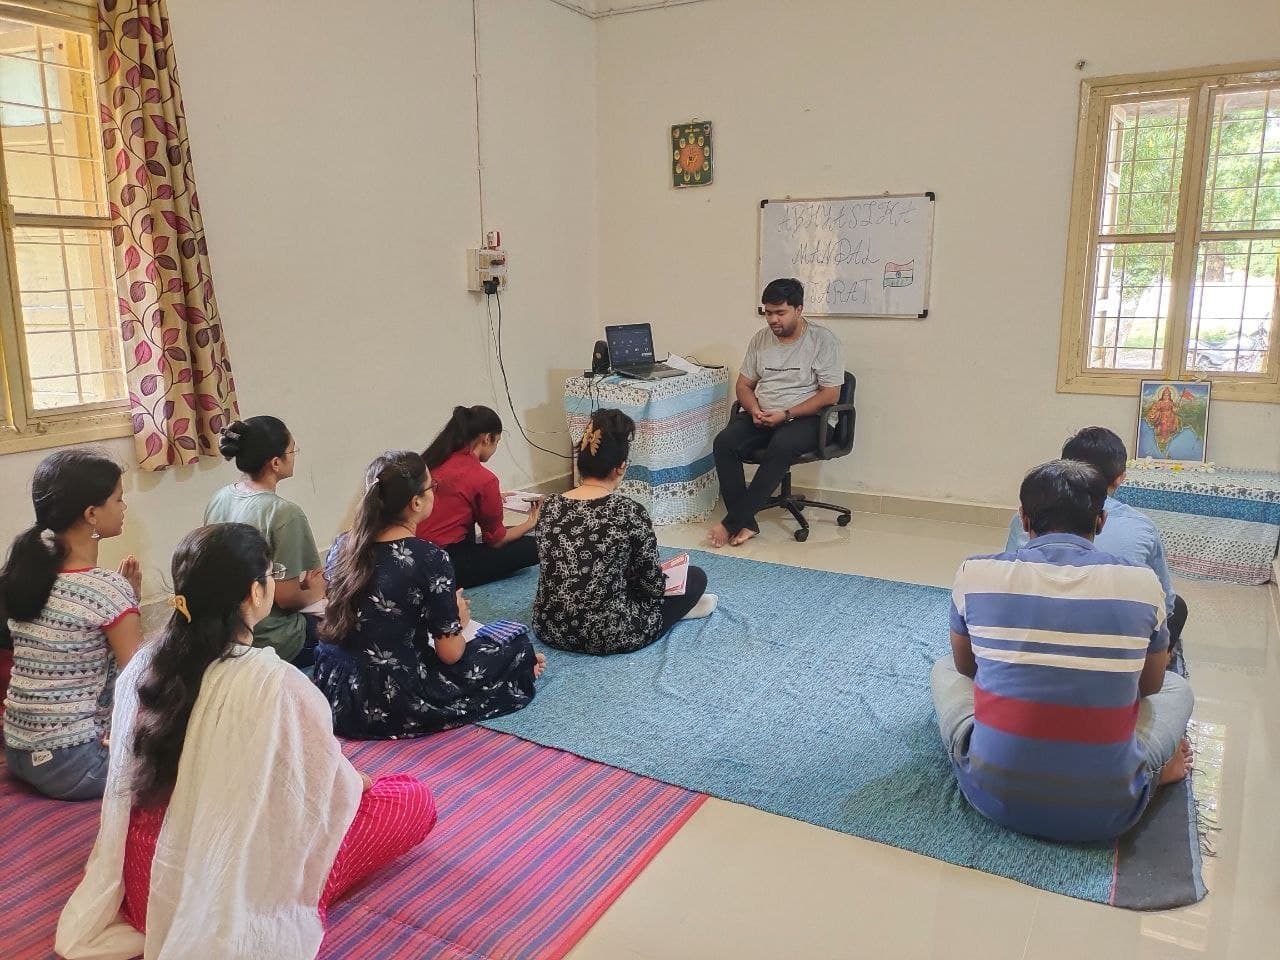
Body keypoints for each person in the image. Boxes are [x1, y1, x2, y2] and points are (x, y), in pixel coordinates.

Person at [55, 524, 436, 960]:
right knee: (411, 798)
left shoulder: (145, 663)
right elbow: (322, 789)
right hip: (220, 894)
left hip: (144, 886)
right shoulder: (273, 681)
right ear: (256, 592)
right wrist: (357, 782)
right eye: (271, 573)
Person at [934, 459, 1195, 844]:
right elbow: (1151, 686)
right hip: (1109, 811)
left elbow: (966, 667)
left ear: (1023, 519)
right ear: (1101, 521)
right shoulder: (1142, 584)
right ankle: (1153, 775)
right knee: (1177, 689)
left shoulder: (975, 574)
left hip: (991, 796)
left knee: (943, 669)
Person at [314, 451, 544, 739]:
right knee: (517, 647)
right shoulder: (429, 557)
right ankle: (521, 665)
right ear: (416, 503)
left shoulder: (341, 545)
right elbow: (450, 654)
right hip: (394, 697)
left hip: (337, 691)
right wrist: (457, 620)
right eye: (431, 487)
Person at [1, 450, 142, 801]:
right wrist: (127, 603)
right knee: (185, 752)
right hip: (76, 764)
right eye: (118, 499)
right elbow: (138, 678)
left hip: (18, 751)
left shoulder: (29, 577)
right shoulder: (106, 589)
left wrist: (126, 604)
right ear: (91, 514)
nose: (124, 507)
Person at [535, 409, 716, 655]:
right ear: (620, 467)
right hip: (611, 634)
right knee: (695, 577)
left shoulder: (550, 505)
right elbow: (652, 586)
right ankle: (680, 611)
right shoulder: (629, 511)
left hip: (549, 627)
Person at [1005, 426, 1187, 661]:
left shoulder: (980, 574)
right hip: (1115, 649)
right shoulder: (1140, 528)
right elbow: (1165, 604)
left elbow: (1009, 580)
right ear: (1100, 522)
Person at [709, 278, 845, 547]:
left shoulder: (823, 341)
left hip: (808, 418)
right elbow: (744, 385)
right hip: (763, 414)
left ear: (799, 309)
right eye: (768, 312)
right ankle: (746, 522)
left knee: (782, 443)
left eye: (780, 312)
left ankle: (732, 522)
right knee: (724, 442)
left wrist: (787, 413)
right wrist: (754, 409)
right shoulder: (761, 339)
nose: (773, 319)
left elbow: (830, 394)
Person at [205, 416, 325, 667]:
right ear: (276, 463)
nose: (295, 456)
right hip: (271, 637)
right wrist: (316, 591)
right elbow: (286, 598)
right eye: (292, 451)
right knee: (344, 626)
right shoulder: (284, 514)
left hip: (226, 633)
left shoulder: (220, 497)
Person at [417, 405, 540, 588]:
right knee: (533, 546)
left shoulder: (435, 460)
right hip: (443, 563)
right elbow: (496, 541)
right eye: (497, 442)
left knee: (504, 531)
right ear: (487, 438)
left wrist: (492, 498)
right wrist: (530, 523)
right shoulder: (484, 478)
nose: (495, 447)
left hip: (412, 554)